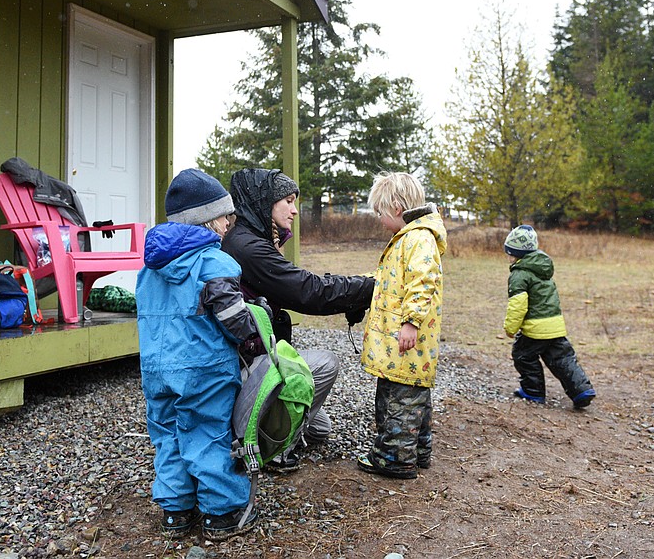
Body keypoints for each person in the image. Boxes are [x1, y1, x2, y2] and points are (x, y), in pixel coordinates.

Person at [135, 168, 260, 540]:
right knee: (206, 433)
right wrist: (251, 338)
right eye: (224, 217)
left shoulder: (149, 267)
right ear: (205, 220)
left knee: (168, 434)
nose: (227, 226)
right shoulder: (211, 262)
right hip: (203, 368)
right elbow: (230, 313)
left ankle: (175, 511)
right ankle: (222, 513)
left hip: (157, 368)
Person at [222, 167, 374, 469]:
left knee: (320, 429)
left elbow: (297, 286)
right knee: (326, 363)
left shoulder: (252, 239)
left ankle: (268, 429)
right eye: (288, 201)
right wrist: (369, 285)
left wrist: (354, 296)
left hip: (248, 359)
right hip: (240, 366)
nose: (294, 210)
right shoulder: (248, 247)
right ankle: (272, 448)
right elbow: (308, 291)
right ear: (265, 202)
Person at [356, 172, 447, 480]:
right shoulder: (409, 239)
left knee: (400, 400)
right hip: (401, 347)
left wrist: (411, 322)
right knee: (412, 394)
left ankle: (394, 457)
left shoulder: (418, 238)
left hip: (406, 340)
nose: (379, 220)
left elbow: (424, 282)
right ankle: (419, 450)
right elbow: (395, 279)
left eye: (380, 213)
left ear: (395, 207)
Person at [502, 224, 596, 410]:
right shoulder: (543, 269)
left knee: (523, 355)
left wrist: (510, 328)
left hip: (535, 329)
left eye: (510, 253)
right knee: (562, 358)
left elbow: (518, 306)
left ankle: (533, 391)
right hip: (555, 325)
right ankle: (581, 390)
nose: (508, 257)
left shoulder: (519, 275)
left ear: (517, 254)